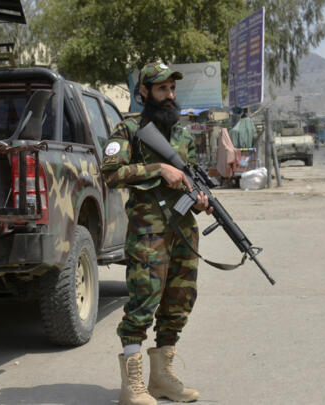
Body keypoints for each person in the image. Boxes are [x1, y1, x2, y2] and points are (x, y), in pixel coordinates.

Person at [101, 62, 213, 405]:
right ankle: (131, 387)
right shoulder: (129, 129)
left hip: (183, 231)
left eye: (172, 89)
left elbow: (188, 178)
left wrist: (200, 200)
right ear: (144, 92)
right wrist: (158, 169)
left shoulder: (181, 133)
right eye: (162, 89)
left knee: (178, 302)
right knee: (144, 300)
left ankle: (162, 378)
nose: (170, 95)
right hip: (149, 232)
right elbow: (109, 173)